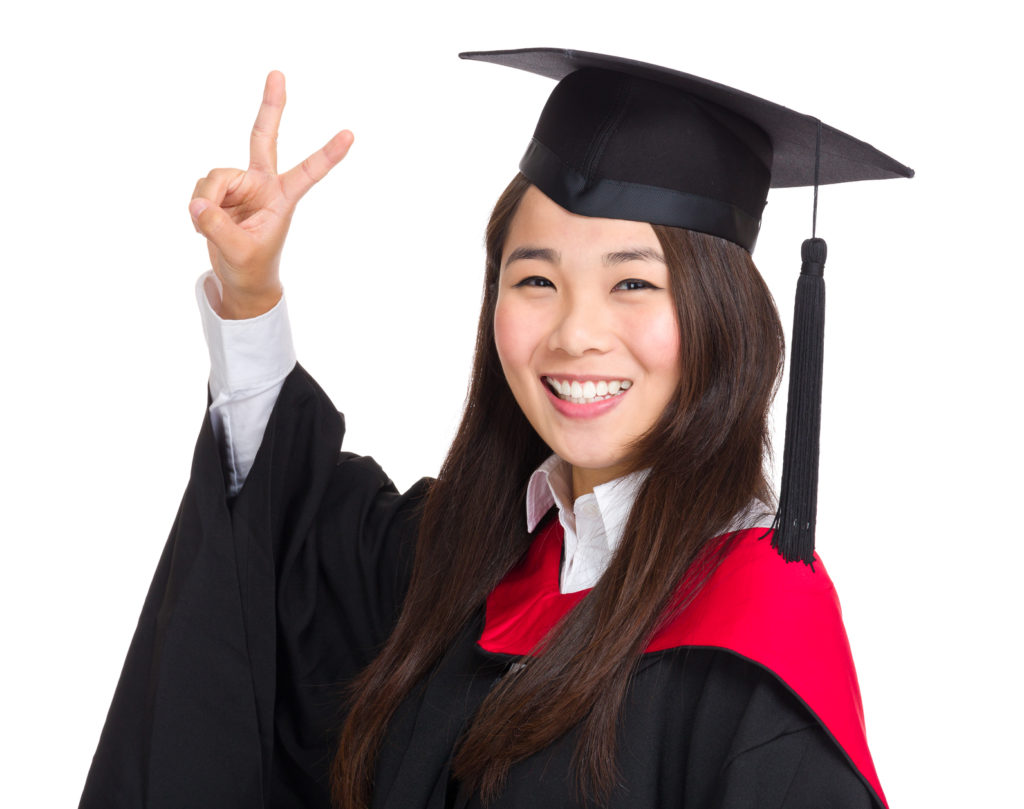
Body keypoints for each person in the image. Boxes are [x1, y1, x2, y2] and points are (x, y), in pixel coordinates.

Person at [79, 48, 911, 809]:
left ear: (721, 316)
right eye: (536, 278)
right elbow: (277, 546)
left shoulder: (756, 639)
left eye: (632, 285)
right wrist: (250, 294)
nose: (575, 332)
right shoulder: (464, 564)